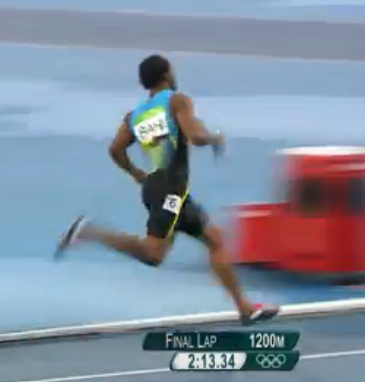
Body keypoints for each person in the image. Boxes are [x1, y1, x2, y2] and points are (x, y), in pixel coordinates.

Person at [55, 54, 278, 325]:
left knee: (215, 240)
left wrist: (137, 174)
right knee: (153, 254)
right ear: (165, 75)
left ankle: (245, 308)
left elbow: (115, 150)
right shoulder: (177, 101)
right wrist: (214, 138)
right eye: (171, 70)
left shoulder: (135, 116)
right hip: (170, 189)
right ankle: (89, 232)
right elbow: (195, 137)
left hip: (162, 188)